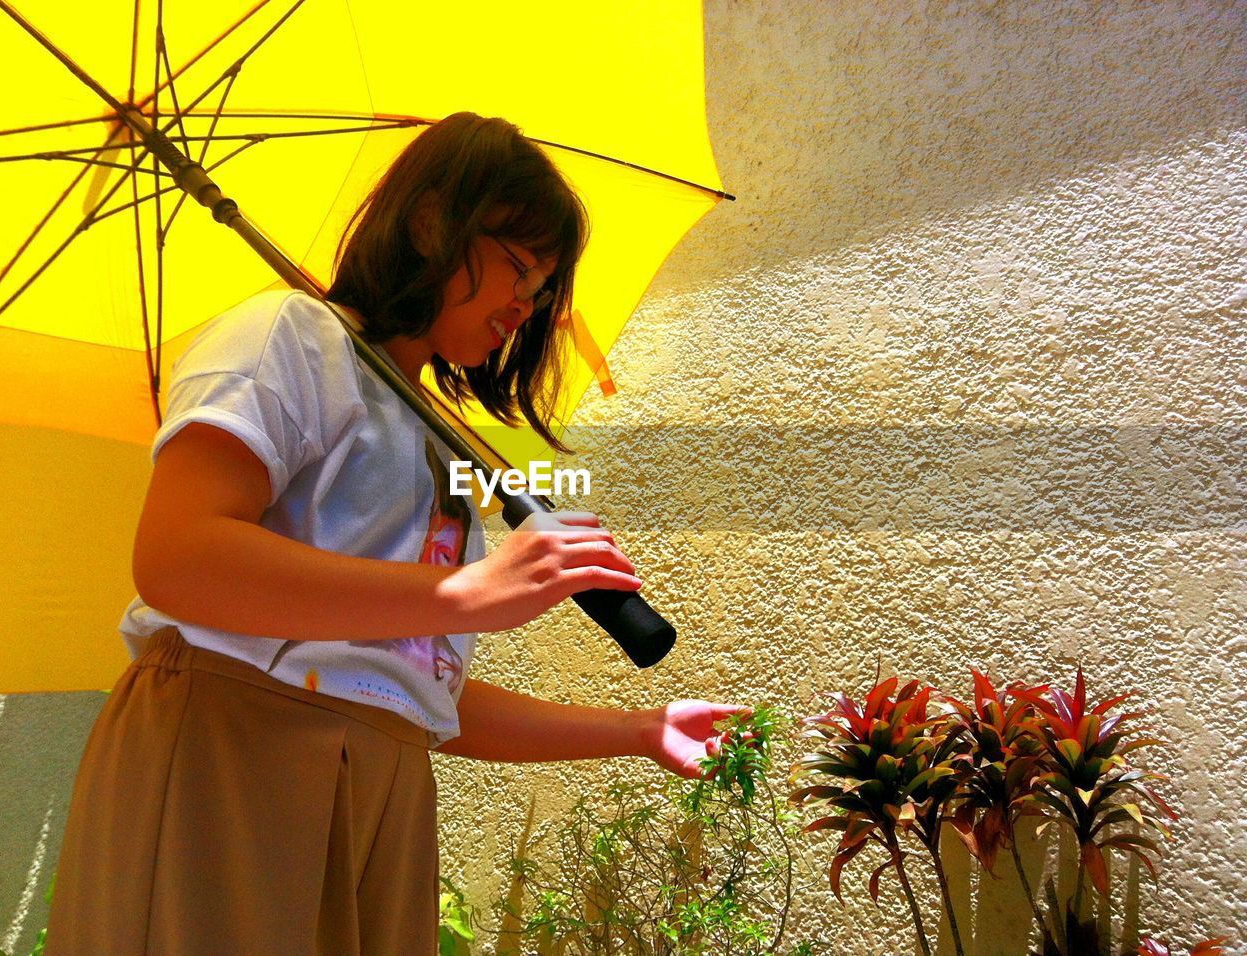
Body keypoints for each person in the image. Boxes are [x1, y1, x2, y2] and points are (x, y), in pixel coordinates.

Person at [45, 113, 745, 955]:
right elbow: (177, 556)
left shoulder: (435, 437)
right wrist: (460, 591)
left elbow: (416, 692)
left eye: (542, 285)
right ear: (429, 222)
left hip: (386, 785)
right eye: (520, 267)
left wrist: (636, 730)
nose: (524, 306)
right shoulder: (290, 337)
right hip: (232, 755)